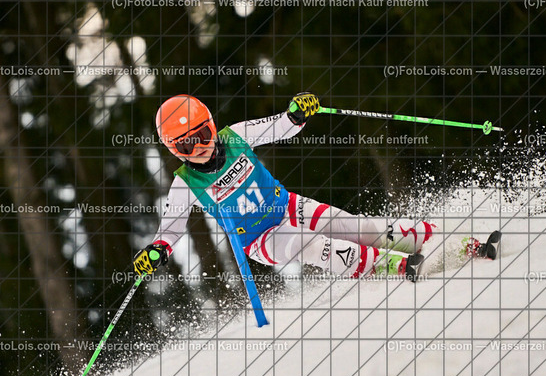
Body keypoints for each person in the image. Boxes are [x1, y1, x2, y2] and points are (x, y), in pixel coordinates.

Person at [133, 93, 435, 281]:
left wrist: (296, 113)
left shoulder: (236, 135)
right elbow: (169, 231)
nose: (199, 147)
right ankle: (398, 267)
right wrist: (156, 251)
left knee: (356, 228)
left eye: (202, 135)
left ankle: (431, 237)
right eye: (186, 145)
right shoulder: (185, 184)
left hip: (288, 206)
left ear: (212, 125)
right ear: (175, 151)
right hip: (261, 238)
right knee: (312, 246)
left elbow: (278, 126)